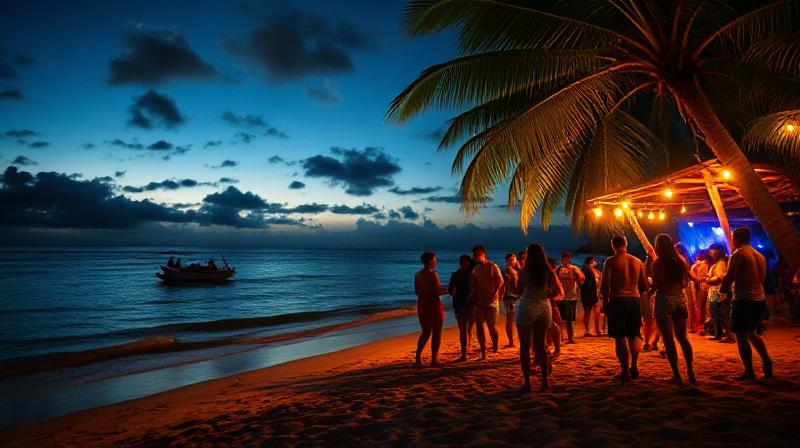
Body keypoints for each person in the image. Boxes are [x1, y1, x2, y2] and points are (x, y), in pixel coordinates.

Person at [720, 227, 773, 380]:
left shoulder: (738, 254)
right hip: (758, 299)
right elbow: (761, 279)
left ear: (735, 238)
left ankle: (749, 371)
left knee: (741, 336)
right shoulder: (759, 255)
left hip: (743, 299)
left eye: (731, 237)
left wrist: (722, 292)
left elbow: (730, 276)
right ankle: (766, 361)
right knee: (751, 332)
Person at [512, 244, 564, 392]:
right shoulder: (549, 272)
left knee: (525, 346)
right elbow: (559, 293)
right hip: (544, 307)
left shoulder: (523, 272)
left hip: (527, 306)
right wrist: (547, 297)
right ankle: (545, 381)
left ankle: (527, 382)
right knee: (541, 345)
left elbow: (518, 291)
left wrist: (510, 286)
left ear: (528, 255)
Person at [600, 235, 648, 382]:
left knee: (620, 337)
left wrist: (605, 303)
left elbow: (605, 286)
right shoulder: (637, 261)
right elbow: (645, 285)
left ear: (613, 245)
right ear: (626, 244)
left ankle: (624, 370)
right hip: (634, 300)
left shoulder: (610, 261)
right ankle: (634, 365)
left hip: (618, 300)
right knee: (634, 334)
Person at [651, 234, 696, 385]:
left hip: (664, 299)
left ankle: (676, 374)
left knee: (668, 339)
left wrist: (650, 287)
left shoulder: (658, 263)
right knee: (683, 338)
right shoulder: (681, 261)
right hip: (680, 299)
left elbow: (657, 284)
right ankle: (690, 372)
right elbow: (685, 282)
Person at [470, 245, 504, 359]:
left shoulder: (492, 265)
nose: (476, 257)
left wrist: (495, 293)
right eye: (474, 255)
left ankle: (495, 347)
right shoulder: (475, 268)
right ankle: (483, 351)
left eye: (478, 254)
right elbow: (474, 285)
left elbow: (500, 280)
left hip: (492, 302)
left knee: (491, 326)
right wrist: (473, 296)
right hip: (479, 301)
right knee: (479, 325)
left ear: (483, 254)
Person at [414, 251, 447, 367]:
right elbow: (438, 291)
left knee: (426, 332)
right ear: (430, 261)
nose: (436, 261)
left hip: (422, 305)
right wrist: (450, 290)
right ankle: (434, 360)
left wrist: (426, 292)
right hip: (433, 305)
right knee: (436, 333)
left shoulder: (417, 274)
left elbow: (417, 291)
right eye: (435, 259)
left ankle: (418, 358)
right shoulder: (433, 274)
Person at [448, 254, 474, 362]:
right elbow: (450, 290)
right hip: (461, 304)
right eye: (461, 261)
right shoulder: (458, 274)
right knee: (464, 329)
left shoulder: (471, 273)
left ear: (468, 262)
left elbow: (451, 290)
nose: (461, 262)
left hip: (467, 303)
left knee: (467, 329)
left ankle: (466, 351)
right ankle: (464, 353)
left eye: (463, 261)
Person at [556, 252, 585, 344]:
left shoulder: (574, 268)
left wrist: (577, 278)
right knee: (559, 319)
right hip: (561, 297)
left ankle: (570, 338)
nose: (564, 260)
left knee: (569, 319)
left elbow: (582, 278)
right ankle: (560, 337)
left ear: (569, 259)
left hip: (571, 297)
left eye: (566, 258)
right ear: (561, 259)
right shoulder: (557, 270)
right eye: (563, 258)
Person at [706, 243, 732, 341]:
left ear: (719, 251)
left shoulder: (720, 264)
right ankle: (719, 334)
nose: (711, 252)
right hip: (716, 292)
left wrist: (707, 280)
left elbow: (719, 278)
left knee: (717, 312)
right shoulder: (719, 263)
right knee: (716, 312)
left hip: (718, 293)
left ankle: (726, 335)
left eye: (713, 250)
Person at [674, 243, 697, 333]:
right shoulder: (685, 258)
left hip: (684, 284)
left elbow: (687, 273)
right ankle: (691, 326)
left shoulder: (680, 259)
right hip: (687, 284)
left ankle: (690, 326)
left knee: (688, 305)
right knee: (690, 305)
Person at [580, 256, 602, 336]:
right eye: (594, 261)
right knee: (587, 312)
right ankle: (587, 330)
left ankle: (597, 330)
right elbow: (582, 283)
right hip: (588, 294)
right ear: (591, 261)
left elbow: (600, 282)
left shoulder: (597, 271)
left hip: (596, 293)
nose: (595, 262)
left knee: (597, 312)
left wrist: (600, 292)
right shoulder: (585, 270)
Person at [502, 253, 520, 348]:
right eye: (512, 259)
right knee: (510, 320)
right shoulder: (509, 270)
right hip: (510, 297)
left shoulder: (512, 270)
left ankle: (511, 342)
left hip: (510, 297)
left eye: (514, 259)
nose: (514, 261)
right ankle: (511, 342)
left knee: (510, 320)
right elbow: (508, 285)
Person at [691, 250, 710, 333]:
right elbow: (691, 271)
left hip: (707, 288)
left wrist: (698, 279)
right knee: (702, 308)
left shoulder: (702, 264)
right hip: (704, 288)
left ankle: (704, 327)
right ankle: (702, 327)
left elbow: (692, 271)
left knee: (704, 308)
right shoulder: (701, 263)